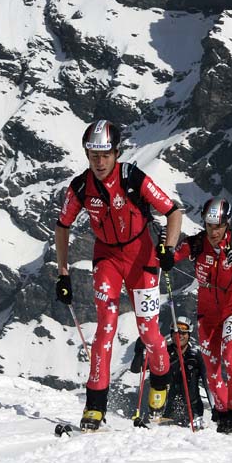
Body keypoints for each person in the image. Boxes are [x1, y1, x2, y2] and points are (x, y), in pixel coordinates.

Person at [55, 119, 183, 431]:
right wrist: (63, 273)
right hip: (107, 258)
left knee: (149, 333)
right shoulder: (81, 187)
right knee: (105, 329)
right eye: (93, 155)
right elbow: (62, 226)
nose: (99, 162)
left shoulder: (132, 177)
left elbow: (173, 211)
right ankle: (94, 407)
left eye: (105, 155)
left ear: (117, 153)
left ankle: (160, 385)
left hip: (142, 257)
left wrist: (168, 248)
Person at [173, 197, 232, 434]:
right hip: (207, 315)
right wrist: (163, 251)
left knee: (230, 357)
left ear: (227, 224)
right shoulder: (196, 244)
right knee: (211, 368)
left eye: (219, 226)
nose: (214, 232)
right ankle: (223, 415)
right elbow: (170, 256)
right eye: (209, 226)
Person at [131, 315, 210, 427]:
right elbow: (136, 368)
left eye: (183, 332)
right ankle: (155, 415)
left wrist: (215, 409)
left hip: (193, 411)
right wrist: (139, 351)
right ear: (172, 334)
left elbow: (208, 384)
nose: (179, 335)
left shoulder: (196, 355)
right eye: (176, 332)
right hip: (168, 411)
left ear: (189, 334)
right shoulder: (164, 353)